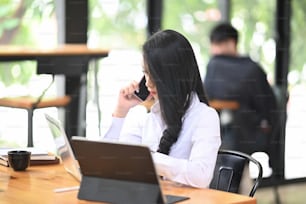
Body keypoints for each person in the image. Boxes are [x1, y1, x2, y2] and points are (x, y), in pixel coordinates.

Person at [103, 29, 221, 188]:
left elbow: (201, 176)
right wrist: (120, 112)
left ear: (175, 75)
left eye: (155, 75)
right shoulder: (146, 116)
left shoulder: (205, 117)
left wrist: (147, 158)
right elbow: (109, 163)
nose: (148, 83)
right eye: (145, 73)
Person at [204, 23, 279, 172]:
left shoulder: (215, 65)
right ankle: (231, 185)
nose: (215, 49)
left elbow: (207, 97)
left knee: (223, 139)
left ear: (232, 43)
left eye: (218, 44)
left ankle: (227, 187)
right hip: (247, 130)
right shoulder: (253, 68)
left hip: (245, 132)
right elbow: (269, 105)